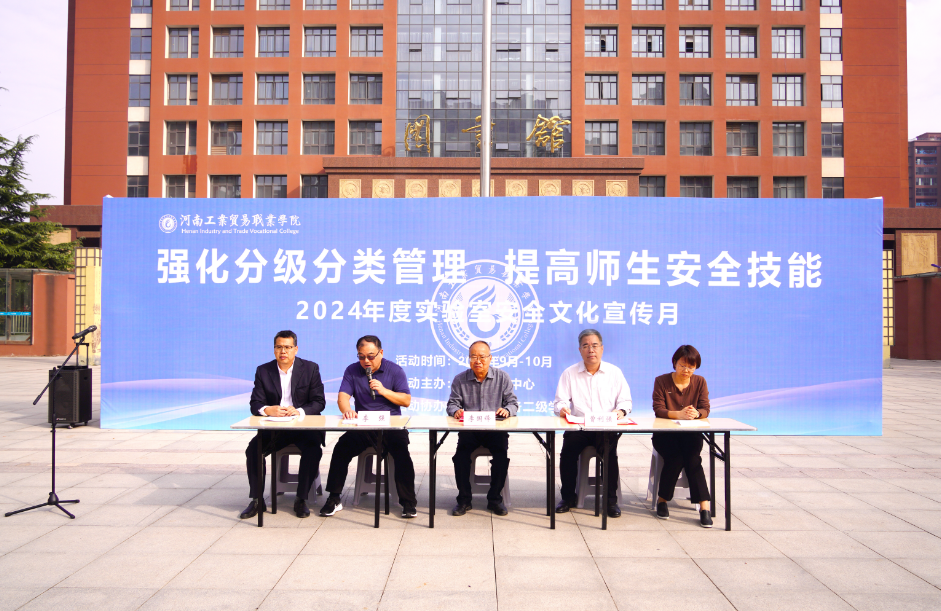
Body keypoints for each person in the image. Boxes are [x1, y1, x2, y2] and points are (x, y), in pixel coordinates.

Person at [319, 335, 418, 518]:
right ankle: (334, 498)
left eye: (371, 356)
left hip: (391, 426)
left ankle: (408, 503)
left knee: (402, 454)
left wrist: (384, 391)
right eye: (361, 356)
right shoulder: (352, 370)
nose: (366, 361)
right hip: (363, 426)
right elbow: (343, 397)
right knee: (341, 448)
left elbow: (406, 400)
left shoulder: (395, 371)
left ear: (381, 353)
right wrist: (347, 410)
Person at [242, 330, 326, 519]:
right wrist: (267, 409)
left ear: (296, 349)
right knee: (253, 449)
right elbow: (255, 403)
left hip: (303, 427)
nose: (283, 351)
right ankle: (257, 500)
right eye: (279, 347)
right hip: (275, 428)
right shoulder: (264, 371)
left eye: (288, 347)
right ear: (274, 350)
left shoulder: (310, 368)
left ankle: (301, 499)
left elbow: (319, 402)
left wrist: (299, 410)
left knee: (313, 450)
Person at [553, 329, 632, 518]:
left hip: (605, 426)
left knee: (610, 455)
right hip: (579, 427)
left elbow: (626, 401)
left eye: (595, 345)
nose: (591, 350)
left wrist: (620, 411)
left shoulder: (614, 372)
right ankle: (568, 497)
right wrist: (563, 409)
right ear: (580, 350)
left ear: (602, 348)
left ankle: (610, 501)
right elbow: (559, 402)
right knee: (567, 453)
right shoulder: (569, 373)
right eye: (586, 346)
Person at [446, 340, 519, 516]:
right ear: (468, 359)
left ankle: (495, 499)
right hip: (470, 431)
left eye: (482, 357)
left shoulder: (502, 377)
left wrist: (507, 410)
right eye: (473, 357)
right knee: (460, 457)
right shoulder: (460, 379)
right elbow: (452, 404)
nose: (477, 361)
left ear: (490, 358)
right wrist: (456, 411)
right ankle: (464, 500)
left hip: (495, 430)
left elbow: (513, 403)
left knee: (501, 457)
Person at [651, 344, 713, 528]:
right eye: (682, 365)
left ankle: (704, 507)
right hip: (665, 435)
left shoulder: (700, 382)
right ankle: (662, 501)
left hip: (690, 434)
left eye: (691, 367)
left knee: (693, 458)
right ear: (674, 363)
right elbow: (658, 409)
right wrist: (678, 414)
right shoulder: (661, 381)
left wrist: (697, 413)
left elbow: (705, 408)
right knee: (675, 457)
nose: (686, 370)